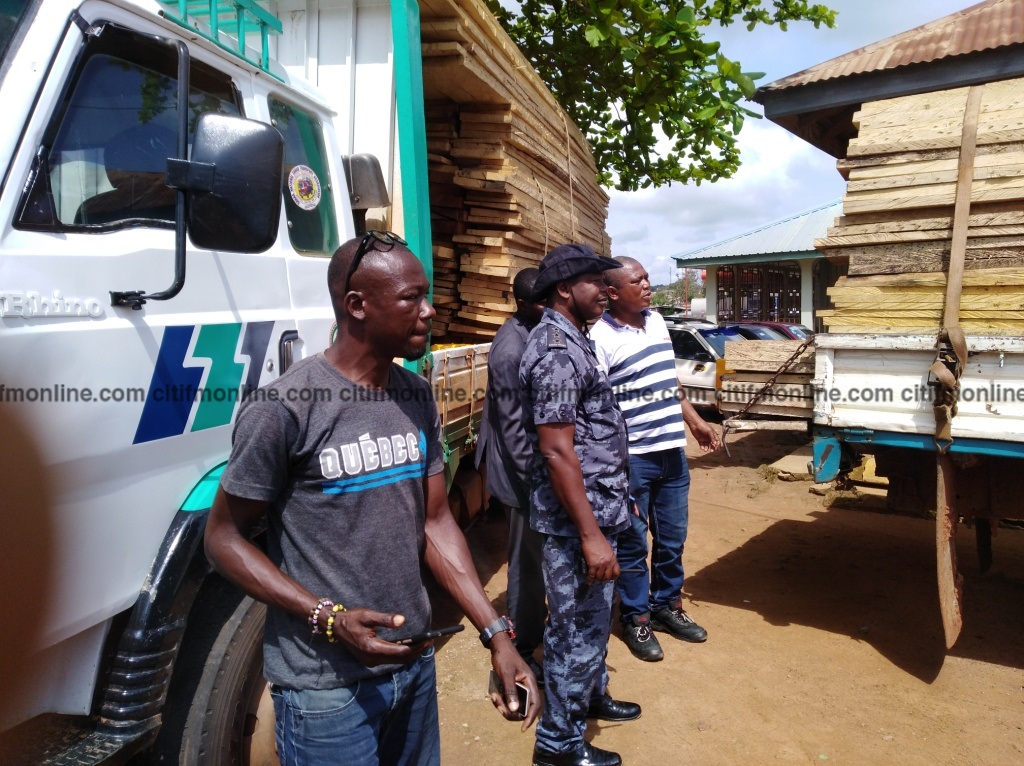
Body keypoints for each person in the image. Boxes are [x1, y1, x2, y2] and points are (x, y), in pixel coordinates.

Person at [204, 231, 540, 766]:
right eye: (411, 298)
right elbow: (222, 539)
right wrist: (326, 615)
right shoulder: (287, 407)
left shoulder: (414, 396)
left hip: (412, 666)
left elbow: (435, 521)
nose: (428, 311)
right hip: (325, 689)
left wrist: (496, 632)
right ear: (356, 306)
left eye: (425, 295)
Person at [520, 244, 641, 766]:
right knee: (574, 628)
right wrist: (591, 534)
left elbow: (595, 433)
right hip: (575, 523)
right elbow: (556, 448)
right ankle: (559, 744)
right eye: (597, 282)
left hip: (599, 507)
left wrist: (621, 501)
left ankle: (593, 695)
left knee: (592, 618)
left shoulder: (577, 339)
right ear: (565, 289)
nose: (607, 290)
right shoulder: (556, 350)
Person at [589, 257, 721, 663]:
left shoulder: (658, 323)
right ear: (612, 293)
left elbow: (670, 381)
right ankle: (636, 617)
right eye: (638, 280)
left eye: (647, 278)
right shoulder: (599, 337)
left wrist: (695, 421)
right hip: (633, 460)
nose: (647, 285)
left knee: (672, 539)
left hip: (672, 454)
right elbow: (598, 408)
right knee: (632, 544)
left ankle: (667, 606)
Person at [475, 267, 547, 682]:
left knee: (533, 559)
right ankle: (519, 648)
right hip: (518, 472)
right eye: (540, 301)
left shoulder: (529, 332)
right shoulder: (509, 350)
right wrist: (536, 481)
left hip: (526, 468)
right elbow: (513, 428)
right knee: (524, 563)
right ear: (520, 304)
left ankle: (530, 630)